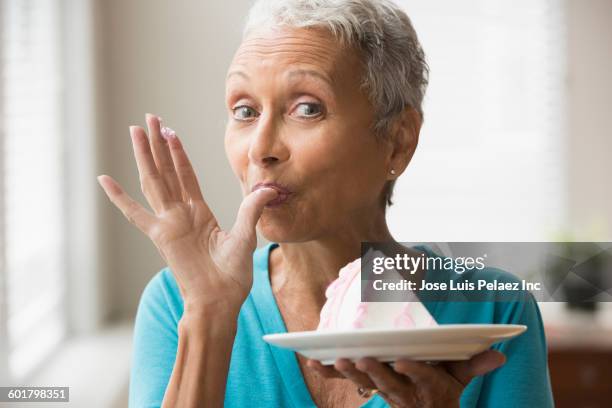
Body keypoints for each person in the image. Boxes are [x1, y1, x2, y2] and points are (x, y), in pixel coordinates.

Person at [97, 0, 554, 406]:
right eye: (245, 111)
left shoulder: (494, 309)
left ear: (397, 142)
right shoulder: (178, 303)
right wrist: (211, 316)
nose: (261, 148)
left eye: (307, 108)